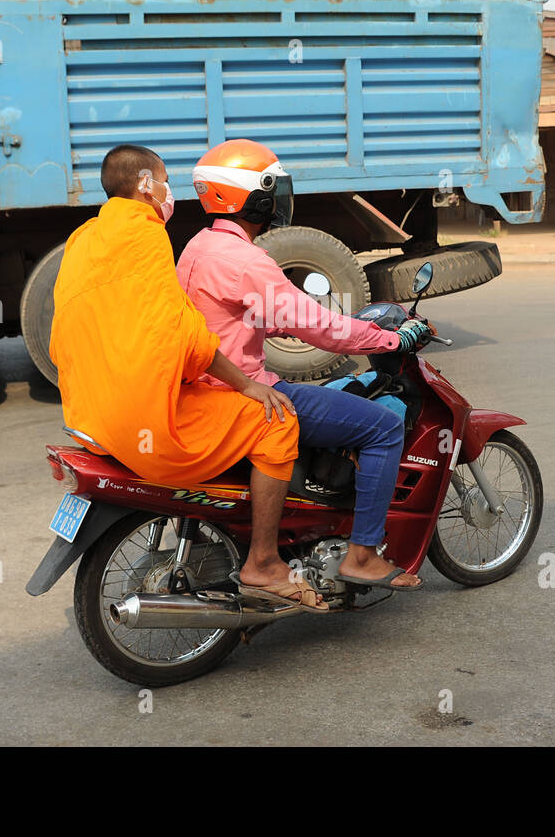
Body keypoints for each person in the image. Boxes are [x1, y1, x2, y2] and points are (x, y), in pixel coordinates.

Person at [49, 143, 329, 612]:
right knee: (277, 420)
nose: (168, 192)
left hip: (90, 414)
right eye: (164, 182)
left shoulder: (85, 238)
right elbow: (183, 337)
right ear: (146, 185)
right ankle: (263, 561)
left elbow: (73, 331)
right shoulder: (145, 235)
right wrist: (245, 383)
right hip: (141, 418)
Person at [177, 139, 431, 590]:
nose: (279, 201)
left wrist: (284, 327)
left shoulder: (198, 247)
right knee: (383, 428)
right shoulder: (247, 261)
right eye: (273, 189)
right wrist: (390, 336)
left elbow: (228, 320)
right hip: (243, 391)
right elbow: (324, 331)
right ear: (256, 196)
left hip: (204, 385)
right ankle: (363, 554)